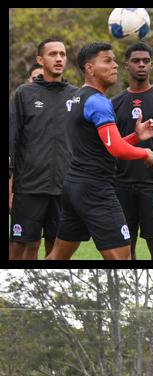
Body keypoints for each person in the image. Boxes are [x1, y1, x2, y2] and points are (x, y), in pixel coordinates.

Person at [46, 43, 153, 260]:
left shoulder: (77, 98)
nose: (115, 65)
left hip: (74, 187)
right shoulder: (98, 102)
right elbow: (116, 148)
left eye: (115, 60)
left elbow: (102, 146)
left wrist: (136, 137)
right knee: (123, 257)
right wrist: (145, 153)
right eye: (107, 61)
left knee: (57, 257)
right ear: (90, 68)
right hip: (95, 190)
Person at [8, 38, 76, 260]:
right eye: (52, 54)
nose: (58, 58)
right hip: (29, 188)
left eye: (62, 54)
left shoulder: (76, 96)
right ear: (40, 59)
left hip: (64, 189)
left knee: (56, 250)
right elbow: (12, 142)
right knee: (18, 246)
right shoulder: (24, 94)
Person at [111, 42, 153, 260]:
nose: (141, 65)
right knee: (126, 249)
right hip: (120, 185)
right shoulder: (114, 103)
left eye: (146, 61)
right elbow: (111, 146)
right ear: (126, 65)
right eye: (136, 61)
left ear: (152, 65)